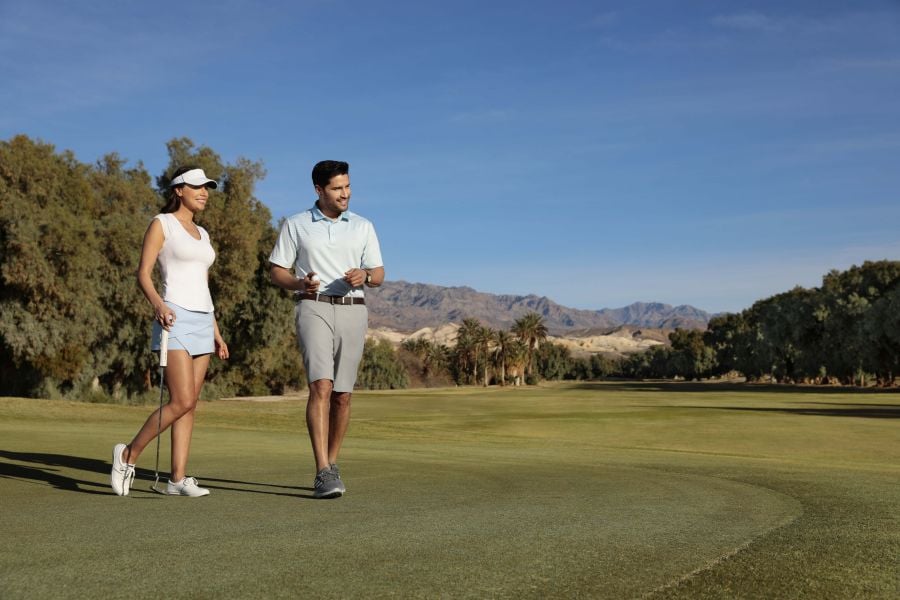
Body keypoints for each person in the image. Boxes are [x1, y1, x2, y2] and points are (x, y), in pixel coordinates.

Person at [110, 166, 229, 497]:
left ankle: (177, 480)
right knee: (182, 400)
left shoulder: (203, 234)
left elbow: (203, 285)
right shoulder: (161, 224)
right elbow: (143, 274)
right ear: (178, 190)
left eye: (207, 188)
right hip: (173, 317)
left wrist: (216, 331)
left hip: (204, 320)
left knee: (191, 405)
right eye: (197, 187)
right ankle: (127, 455)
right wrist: (159, 306)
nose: (204, 192)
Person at [269, 160, 384, 499]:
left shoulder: (363, 226)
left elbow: (378, 274)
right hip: (313, 305)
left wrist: (364, 276)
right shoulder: (297, 224)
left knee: (343, 395)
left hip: (353, 310)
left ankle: (331, 464)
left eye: (347, 186)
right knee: (321, 384)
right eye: (337, 188)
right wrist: (297, 283)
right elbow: (277, 271)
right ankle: (322, 470)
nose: (345, 193)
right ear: (319, 190)